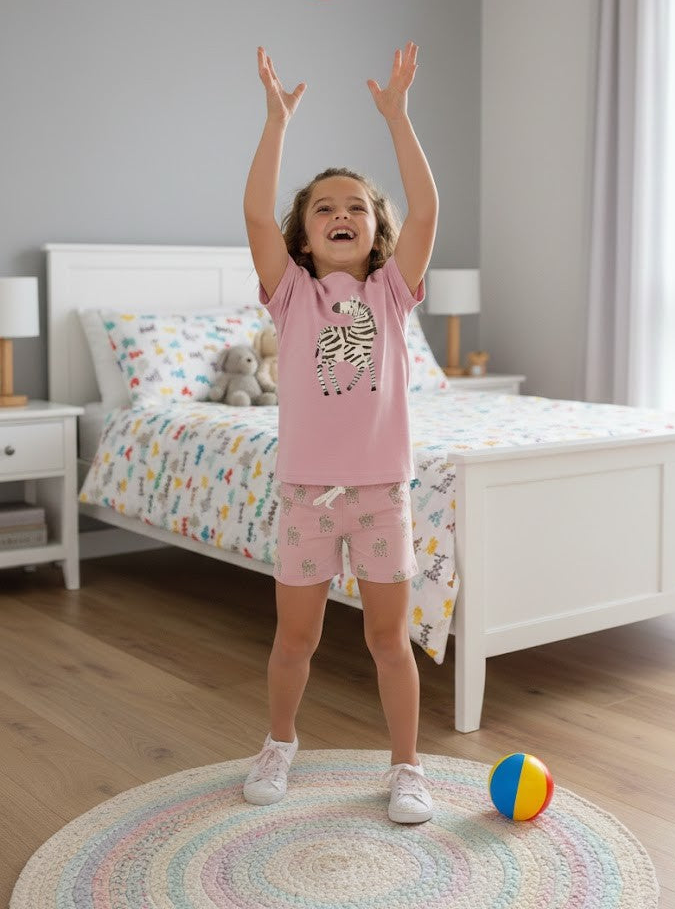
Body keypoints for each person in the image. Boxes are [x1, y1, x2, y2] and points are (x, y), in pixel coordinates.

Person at [241, 42, 438, 824]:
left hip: (380, 496)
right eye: (324, 208)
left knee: (390, 642)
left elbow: (425, 210)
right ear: (303, 238)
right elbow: (256, 211)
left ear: (375, 229)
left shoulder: (393, 292)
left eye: (355, 205)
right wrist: (274, 122)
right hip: (305, 498)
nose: (341, 215)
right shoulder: (289, 296)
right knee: (296, 641)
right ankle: (279, 744)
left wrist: (398, 118)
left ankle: (406, 768)